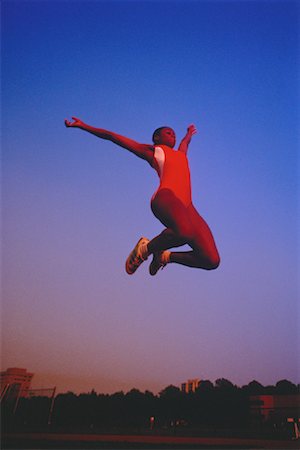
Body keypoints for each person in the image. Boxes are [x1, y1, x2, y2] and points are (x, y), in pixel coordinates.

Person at [65, 117, 220, 275]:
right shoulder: (154, 151)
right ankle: (145, 249)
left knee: (211, 260)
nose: (172, 134)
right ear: (156, 138)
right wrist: (84, 126)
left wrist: (188, 135)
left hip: (187, 207)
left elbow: (184, 144)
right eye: (168, 132)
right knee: (184, 231)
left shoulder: (181, 154)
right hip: (166, 197)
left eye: (174, 134)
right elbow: (112, 136)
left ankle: (165, 257)